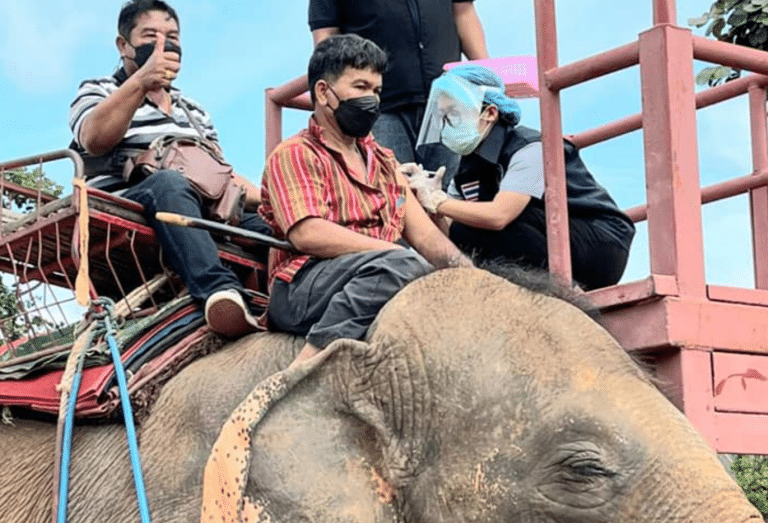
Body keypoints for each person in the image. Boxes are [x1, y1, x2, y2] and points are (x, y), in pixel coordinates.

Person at [259, 34, 472, 366]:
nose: (371, 100)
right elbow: (307, 233)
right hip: (303, 286)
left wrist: (475, 279)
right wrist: (392, 253)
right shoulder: (294, 153)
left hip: (380, 272)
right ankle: (306, 367)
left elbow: (427, 237)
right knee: (403, 264)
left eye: (376, 91)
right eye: (360, 87)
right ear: (323, 93)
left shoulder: (385, 162)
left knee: (445, 278)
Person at [69, 0, 271, 337]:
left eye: (172, 36)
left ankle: (290, 297)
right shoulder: (99, 90)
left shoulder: (193, 111)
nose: (164, 44)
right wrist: (141, 83)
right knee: (168, 184)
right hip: (135, 196)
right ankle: (219, 291)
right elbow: (93, 138)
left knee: (272, 224)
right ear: (124, 45)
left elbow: (223, 175)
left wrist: (274, 202)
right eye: (150, 35)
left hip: (203, 206)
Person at [406, 64, 635, 290]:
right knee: (465, 230)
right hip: (544, 237)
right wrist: (430, 208)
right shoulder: (466, 170)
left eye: (454, 113)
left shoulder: (530, 147)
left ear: (490, 113)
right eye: (442, 117)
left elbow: (499, 216)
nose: (446, 125)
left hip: (600, 242)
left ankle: (563, 286)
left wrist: (439, 200)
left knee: (495, 220)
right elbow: (456, 232)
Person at [308, 0, 489, 187]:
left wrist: (488, 77)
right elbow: (326, 35)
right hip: (378, 107)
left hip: (447, 101)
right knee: (394, 193)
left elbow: (463, 12)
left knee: (448, 195)